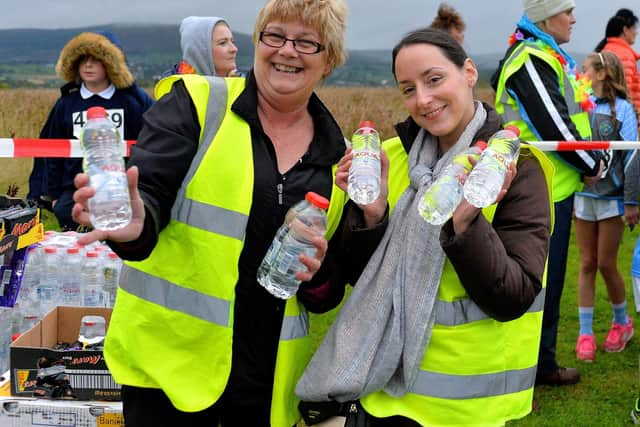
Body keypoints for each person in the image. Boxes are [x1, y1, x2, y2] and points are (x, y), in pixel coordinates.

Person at [70, 0, 357, 426]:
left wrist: (316, 276)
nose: (287, 50)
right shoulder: (199, 103)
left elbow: (326, 290)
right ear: (257, 42)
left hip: (264, 385)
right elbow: (149, 193)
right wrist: (135, 222)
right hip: (169, 372)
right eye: (275, 36)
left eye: (307, 42)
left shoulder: (337, 159)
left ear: (328, 59)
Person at [296, 28, 553, 427]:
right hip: (380, 389)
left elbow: (514, 296)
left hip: (462, 404)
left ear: (468, 72)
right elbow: (349, 279)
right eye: (408, 89)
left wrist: (467, 225)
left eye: (434, 80)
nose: (423, 99)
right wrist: (370, 215)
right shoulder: (389, 157)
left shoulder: (518, 171)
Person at [491, 0, 605, 386]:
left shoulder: (547, 55)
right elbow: (555, 127)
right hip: (536, 195)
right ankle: (522, 374)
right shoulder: (530, 58)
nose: (574, 18)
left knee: (549, 284)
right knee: (534, 286)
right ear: (544, 16)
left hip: (553, 189)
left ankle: (541, 365)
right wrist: (594, 167)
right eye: (567, 10)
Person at [27, 30, 153, 231]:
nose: (88, 65)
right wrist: (54, 196)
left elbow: (149, 146)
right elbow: (52, 152)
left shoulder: (131, 103)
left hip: (120, 191)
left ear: (111, 64)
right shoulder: (66, 104)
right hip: (74, 191)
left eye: (96, 59)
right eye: (83, 59)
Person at [574, 51, 639, 362]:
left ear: (601, 74)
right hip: (583, 199)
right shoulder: (578, 105)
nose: (580, 72)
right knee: (586, 262)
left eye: (585, 68)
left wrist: (630, 200)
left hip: (612, 199)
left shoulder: (623, 110)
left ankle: (621, 322)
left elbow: (631, 156)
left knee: (605, 264)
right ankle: (585, 333)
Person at [595, 9, 640, 117]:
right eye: (634, 28)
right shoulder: (624, 55)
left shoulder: (605, 50)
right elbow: (624, 91)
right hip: (622, 118)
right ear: (625, 30)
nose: (636, 32)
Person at [164, 16, 240, 77]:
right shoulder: (177, 93)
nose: (234, 49)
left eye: (233, 42)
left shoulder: (245, 88)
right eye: (223, 43)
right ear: (200, 52)